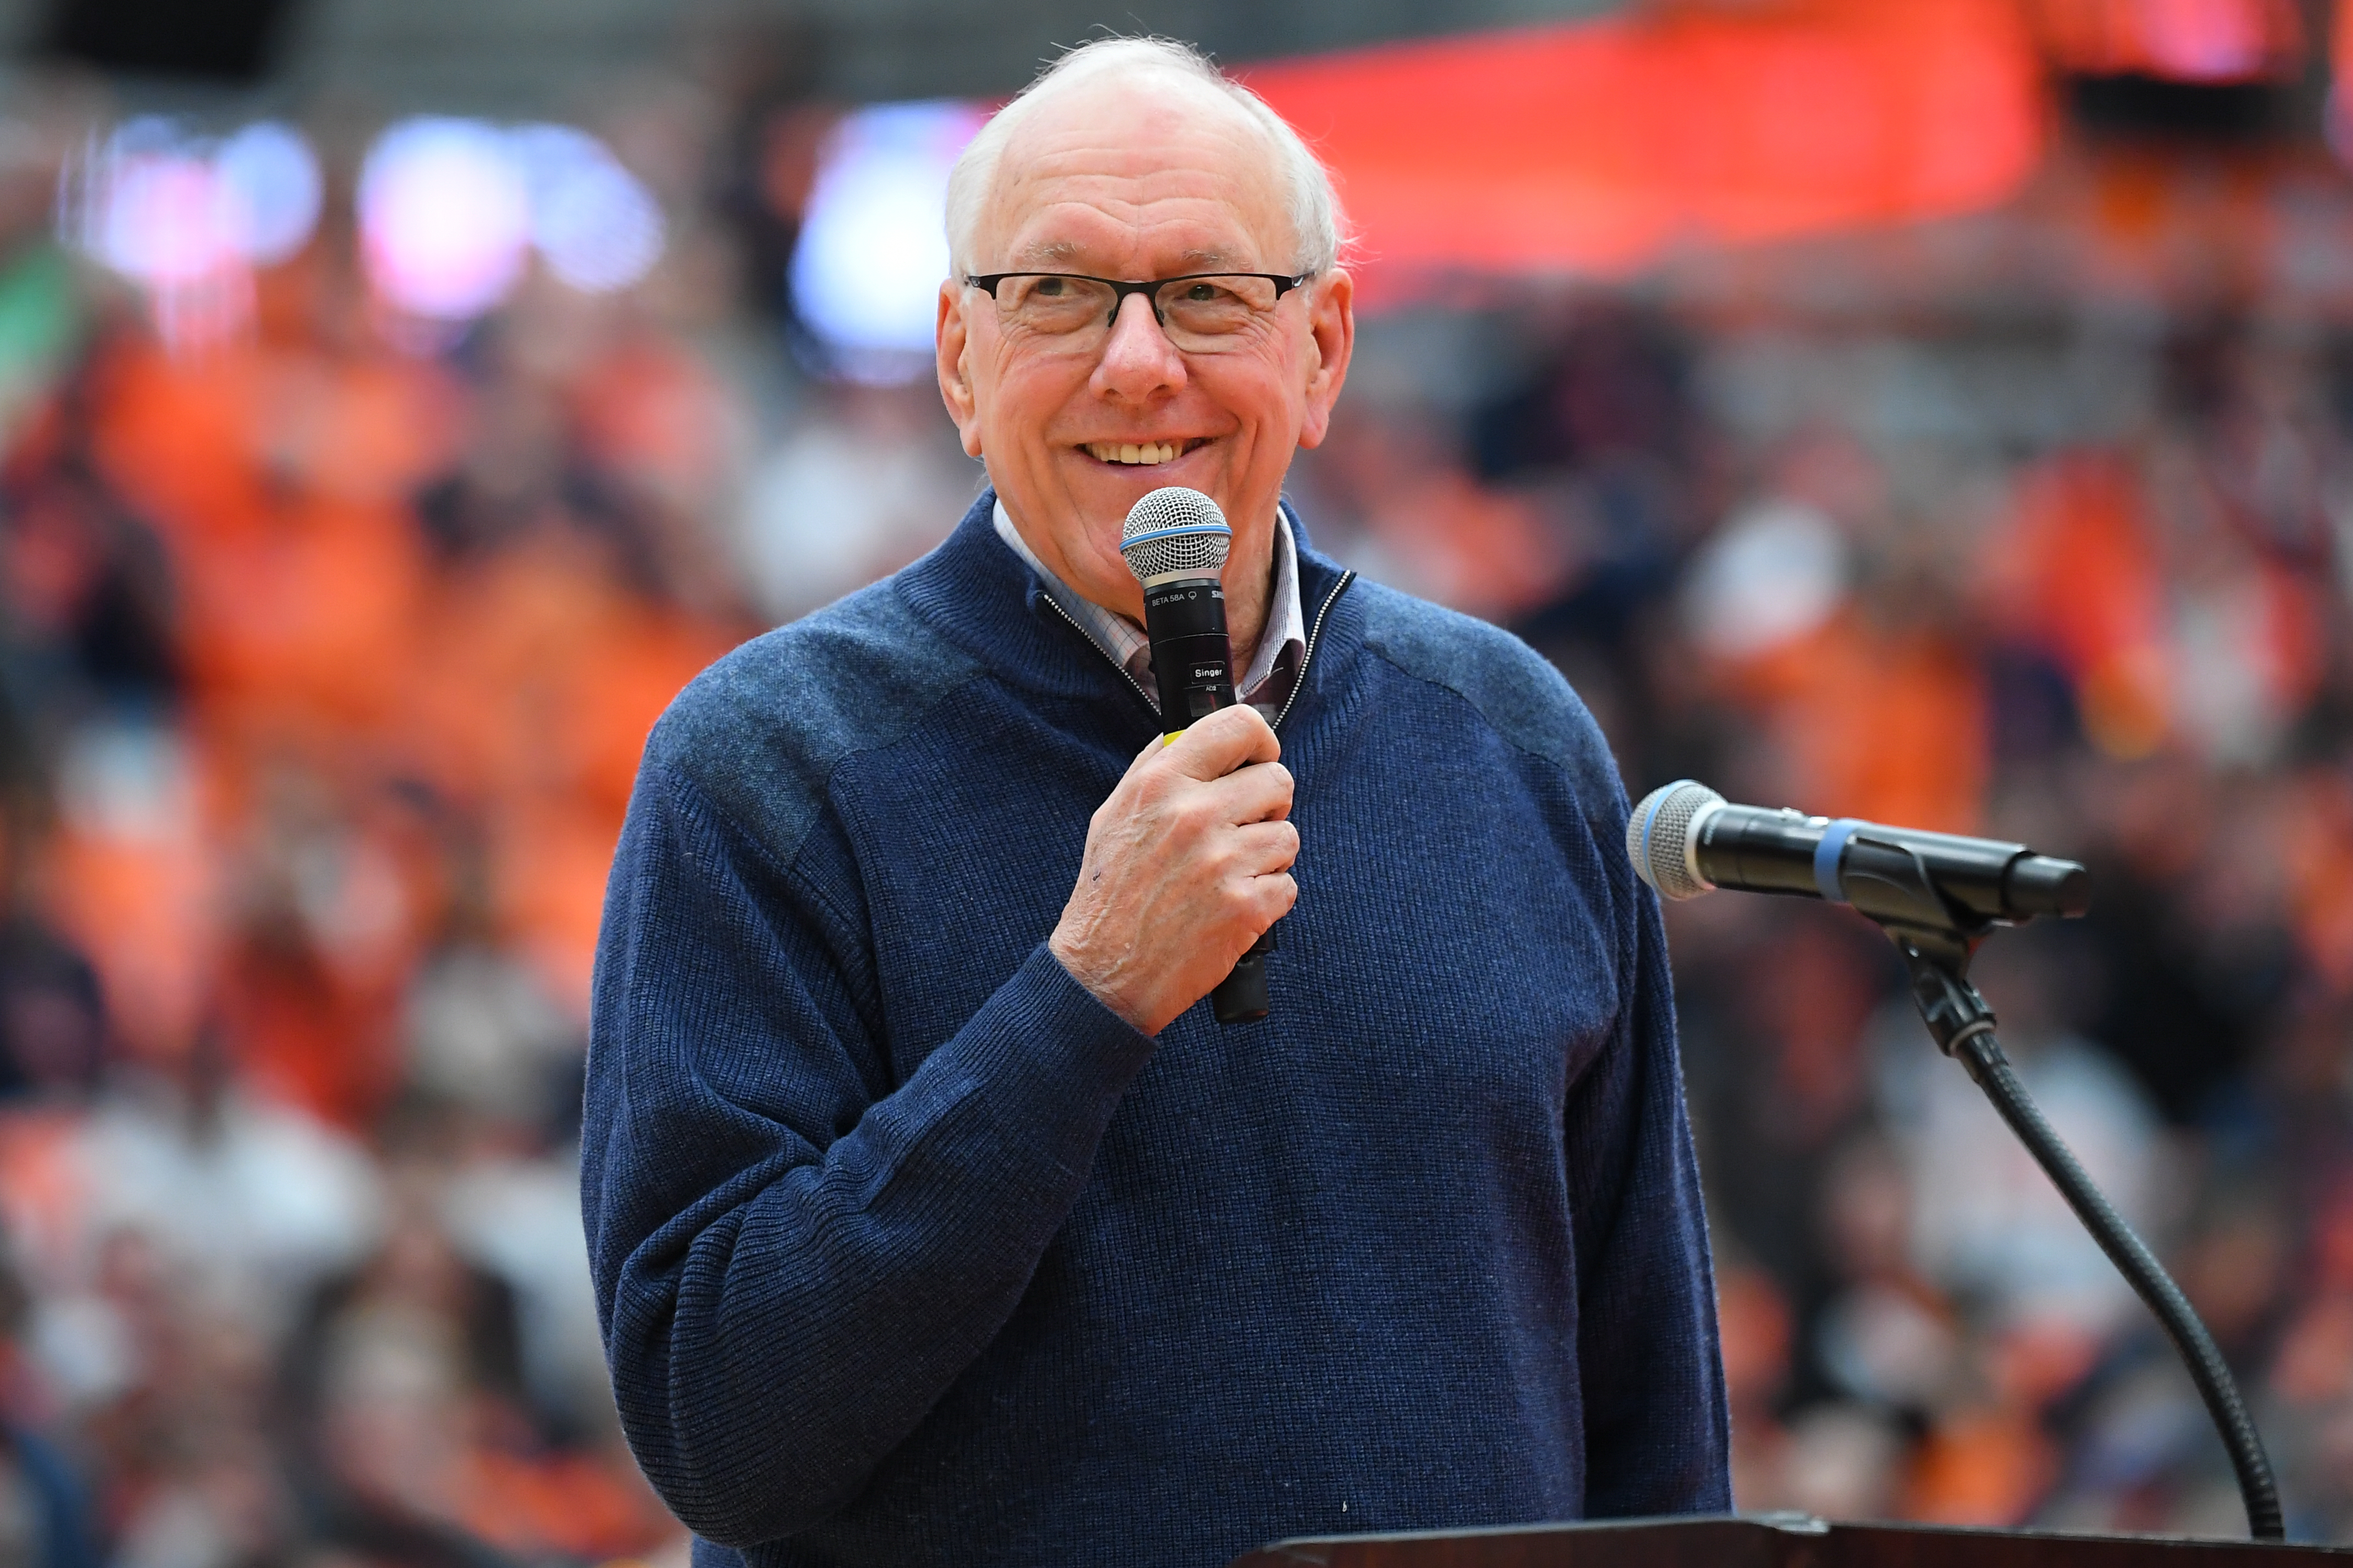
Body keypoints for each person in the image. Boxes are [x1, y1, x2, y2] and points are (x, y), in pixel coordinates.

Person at [581, 37, 1729, 1567]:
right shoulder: (763, 767)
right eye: (1055, 292)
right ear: (955, 360)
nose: (1137, 362)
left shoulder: (1513, 737)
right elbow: (716, 1417)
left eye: (1203, 292)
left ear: (1321, 351)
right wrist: (1083, 999)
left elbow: (1650, 1410)